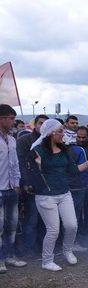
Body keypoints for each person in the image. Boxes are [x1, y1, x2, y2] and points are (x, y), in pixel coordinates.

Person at [29, 119, 88, 271]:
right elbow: (32, 174)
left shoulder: (65, 150)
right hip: (46, 196)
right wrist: (38, 166)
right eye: (60, 131)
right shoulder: (38, 150)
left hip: (64, 193)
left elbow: (74, 171)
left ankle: (67, 250)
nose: (63, 134)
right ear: (51, 133)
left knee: (72, 225)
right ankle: (47, 260)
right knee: (53, 229)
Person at [15, 114, 48, 257]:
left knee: (46, 220)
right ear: (35, 124)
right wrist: (26, 183)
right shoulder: (24, 140)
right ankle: (29, 248)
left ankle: (43, 247)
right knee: (32, 219)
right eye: (40, 123)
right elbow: (21, 164)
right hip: (32, 186)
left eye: (46, 123)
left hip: (49, 187)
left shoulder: (52, 141)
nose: (43, 126)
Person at [0, 104, 26, 272]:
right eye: (11, 119)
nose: (13, 122)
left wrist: (17, 184)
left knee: (12, 225)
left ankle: (8, 256)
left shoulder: (12, 139)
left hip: (11, 189)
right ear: (1, 119)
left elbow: (15, 164)